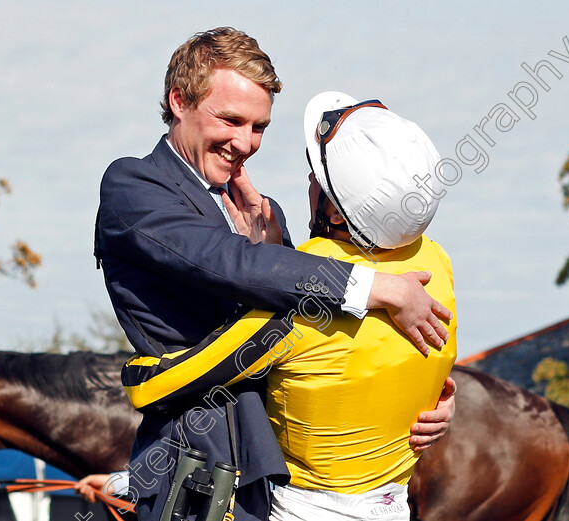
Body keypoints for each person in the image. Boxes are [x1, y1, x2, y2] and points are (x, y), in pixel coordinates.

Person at [93, 28, 453, 521]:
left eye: (259, 126)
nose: (245, 142)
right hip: (201, 467)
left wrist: (428, 400)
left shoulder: (265, 214)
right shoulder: (133, 186)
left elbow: (315, 337)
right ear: (179, 101)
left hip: (282, 477)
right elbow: (228, 264)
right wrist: (379, 285)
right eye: (231, 119)